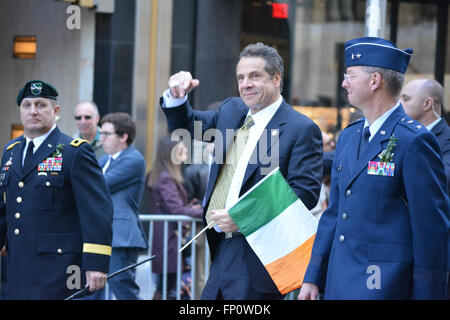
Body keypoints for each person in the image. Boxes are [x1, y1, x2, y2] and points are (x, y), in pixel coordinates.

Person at [160, 42, 323, 300]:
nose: (245, 84)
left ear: (277, 78)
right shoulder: (231, 111)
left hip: (259, 253)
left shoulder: (301, 128)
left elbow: (304, 193)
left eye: (255, 76)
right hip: (221, 248)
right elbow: (188, 125)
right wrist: (178, 95)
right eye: (241, 77)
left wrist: (243, 216)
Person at [299, 37, 449, 300]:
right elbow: (334, 213)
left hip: (386, 285)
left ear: (374, 81)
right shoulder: (349, 136)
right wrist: (313, 276)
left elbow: (431, 231)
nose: (344, 83)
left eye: (350, 75)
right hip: (339, 280)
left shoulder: (413, 140)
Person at [0, 80, 113, 299]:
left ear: (55, 110)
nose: (33, 111)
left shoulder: (74, 152)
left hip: (58, 269)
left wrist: (96, 263)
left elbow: (97, 211)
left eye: (41, 105)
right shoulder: (10, 152)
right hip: (18, 266)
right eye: (27, 105)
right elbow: (4, 208)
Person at [95, 112, 148, 299]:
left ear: (123, 137)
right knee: (93, 287)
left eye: (106, 134)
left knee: (122, 287)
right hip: (104, 233)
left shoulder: (134, 159)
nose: (101, 139)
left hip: (121, 235)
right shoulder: (104, 160)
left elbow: (99, 184)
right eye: (101, 133)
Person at [147, 136, 203, 300]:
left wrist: (191, 206)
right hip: (168, 239)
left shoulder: (165, 174)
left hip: (169, 238)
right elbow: (175, 208)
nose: (185, 150)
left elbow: (175, 206)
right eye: (181, 148)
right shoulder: (165, 177)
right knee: (167, 288)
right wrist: (206, 212)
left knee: (167, 287)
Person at [401, 78, 450, 190]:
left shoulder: (446, 139)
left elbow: (443, 177)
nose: (399, 104)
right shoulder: (404, 134)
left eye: (406, 99)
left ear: (428, 104)